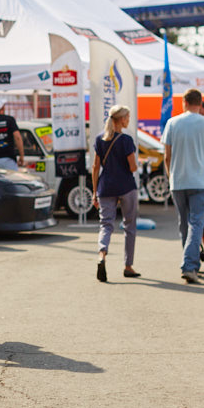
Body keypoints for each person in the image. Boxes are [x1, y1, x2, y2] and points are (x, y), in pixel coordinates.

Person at [162, 88, 204, 284]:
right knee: (197, 223)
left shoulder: (172, 123)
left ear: (184, 103)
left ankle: (192, 263)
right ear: (200, 103)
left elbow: (167, 156)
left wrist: (170, 176)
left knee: (184, 224)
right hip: (199, 182)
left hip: (178, 182)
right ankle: (189, 265)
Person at [91, 104, 139, 280]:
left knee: (106, 224)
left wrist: (95, 192)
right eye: (127, 117)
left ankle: (101, 255)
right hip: (126, 186)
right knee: (129, 226)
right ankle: (128, 266)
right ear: (121, 119)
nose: (128, 120)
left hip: (106, 187)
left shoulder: (99, 139)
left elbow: (96, 167)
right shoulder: (126, 141)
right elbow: (132, 167)